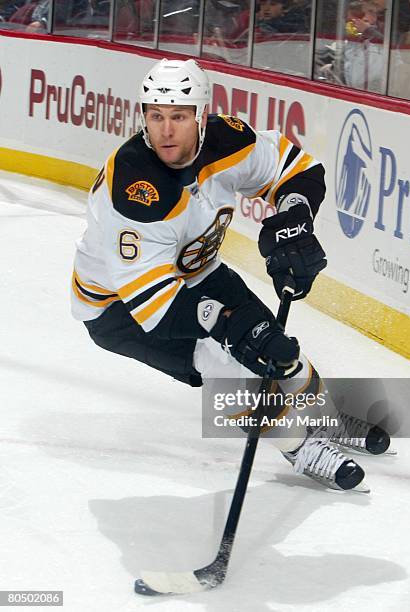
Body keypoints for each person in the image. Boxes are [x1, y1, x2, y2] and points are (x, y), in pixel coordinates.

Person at [71, 58, 391, 493]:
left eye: (179, 117)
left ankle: (323, 418)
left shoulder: (226, 141)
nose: (165, 131)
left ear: (202, 116)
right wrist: (227, 325)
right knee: (228, 364)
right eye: (156, 116)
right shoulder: (135, 190)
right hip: (121, 308)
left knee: (277, 348)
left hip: (196, 270)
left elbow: (296, 168)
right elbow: (156, 306)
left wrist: (294, 219)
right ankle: (299, 447)